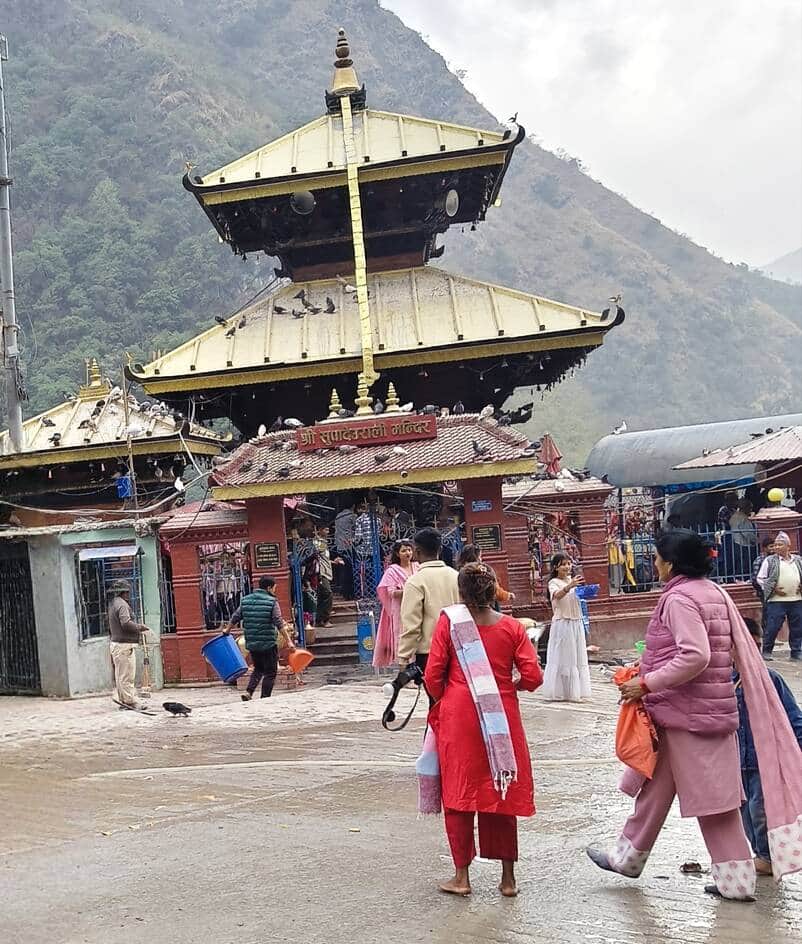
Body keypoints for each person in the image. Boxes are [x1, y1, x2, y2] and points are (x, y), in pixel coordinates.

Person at [586, 529, 802, 901]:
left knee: (715, 803)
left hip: (691, 716)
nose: (654, 563)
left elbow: (695, 655)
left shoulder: (680, 599)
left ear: (671, 563)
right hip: (694, 711)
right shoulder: (712, 592)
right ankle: (626, 859)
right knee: (654, 789)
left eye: (657, 557)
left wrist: (646, 683)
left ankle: (736, 883)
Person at [423, 563, 543, 897]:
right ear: (494, 591)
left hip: (459, 716)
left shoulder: (450, 622)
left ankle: (461, 878)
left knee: (459, 794)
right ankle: (508, 880)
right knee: (500, 792)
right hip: (501, 716)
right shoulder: (513, 628)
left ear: (460, 592)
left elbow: (433, 675)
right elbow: (533, 677)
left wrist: (448, 699)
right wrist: (509, 687)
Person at [736, 618, 802, 875]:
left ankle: (767, 855)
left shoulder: (770, 679)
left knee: (760, 810)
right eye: (747, 646)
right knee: (744, 812)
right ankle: (760, 854)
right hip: (735, 763)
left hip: (764, 762)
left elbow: (793, 718)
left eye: (758, 646)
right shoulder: (722, 683)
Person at [398, 528, 460, 671]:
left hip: (430, 653)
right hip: (457, 649)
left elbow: (412, 625)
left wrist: (404, 657)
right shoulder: (456, 576)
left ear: (417, 551)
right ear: (440, 549)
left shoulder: (415, 582)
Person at [540, 553, 592, 702]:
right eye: (563, 564)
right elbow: (557, 595)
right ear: (556, 567)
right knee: (564, 657)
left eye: (569, 564)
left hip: (576, 621)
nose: (567, 567)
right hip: (563, 622)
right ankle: (561, 691)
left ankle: (576, 691)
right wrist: (570, 586)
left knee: (576, 656)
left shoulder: (572, 580)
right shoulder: (553, 582)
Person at [224, 576, 283, 701]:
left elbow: (236, 616)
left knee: (258, 668)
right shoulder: (272, 601)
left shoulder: (245, 600)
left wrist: (227, 630)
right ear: (269, 588)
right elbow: (278, 622)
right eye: (274, 588)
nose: (274, 591)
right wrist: (288, 640)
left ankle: (249, 692)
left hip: (252, 642)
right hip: (268, 642)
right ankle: (265, 698)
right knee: (270, 672)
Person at [756, 532, 802, 661]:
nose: (776, 547)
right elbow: (760, 578)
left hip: (797, 599)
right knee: (773, 626)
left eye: (780, 544)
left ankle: (796, 651)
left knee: (797, 627)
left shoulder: (798, 560)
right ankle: (767, 651)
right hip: (776, 600)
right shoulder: (770, 561)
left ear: (788, 546)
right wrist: (773, 588)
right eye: (775, 545)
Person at [373, 539, 419, 668]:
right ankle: (403, 668)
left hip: (417, 607)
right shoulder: (392, 571)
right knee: (402, 638)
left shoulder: (417, 566)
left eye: (409, 550)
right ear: (397, 554)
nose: (407, 553)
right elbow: (391, 592)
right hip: (400, 609)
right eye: (404, 551)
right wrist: (410, 591)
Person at [107, 580, 151, 709]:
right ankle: (130, 701)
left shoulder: (113, 603)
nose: (128, 594)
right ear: (124, 592)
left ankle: (124, 700)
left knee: (120, 675)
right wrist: (139, 627)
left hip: (117, 644)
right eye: (127, 592)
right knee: (127, 675)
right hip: (124, 645)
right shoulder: (122, 605)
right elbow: (125, 623)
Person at [314, 524, 340, 628]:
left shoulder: (323, 543)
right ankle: (325, 619)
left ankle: (319, 619)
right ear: (320, 530)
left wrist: (334, 561)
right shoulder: (318, 542)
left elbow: (324, 558)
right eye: (325, 530)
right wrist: (318, 539)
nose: (328, 532)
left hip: (326, 571)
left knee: (322, 596)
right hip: (321, 572)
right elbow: (318, 553)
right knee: (328, 593)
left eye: (328, 530)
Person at [751, 537, 775, 632]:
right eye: (771, 546)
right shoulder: (759, 560)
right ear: (764, 548)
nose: (773, 549)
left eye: (774, 546)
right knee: (767, 612)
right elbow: (755, 579)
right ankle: (766, 633)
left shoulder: (775, 559)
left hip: (776, 590)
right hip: (764, 591)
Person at [334, 502, 357, 598]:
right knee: (350, 570)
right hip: (348, 546)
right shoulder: (352, 516)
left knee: (342, 569)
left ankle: (343, 591)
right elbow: (357, 529)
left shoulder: (338, 516)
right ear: (353, 505)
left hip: (339, 545)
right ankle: (350, 592)